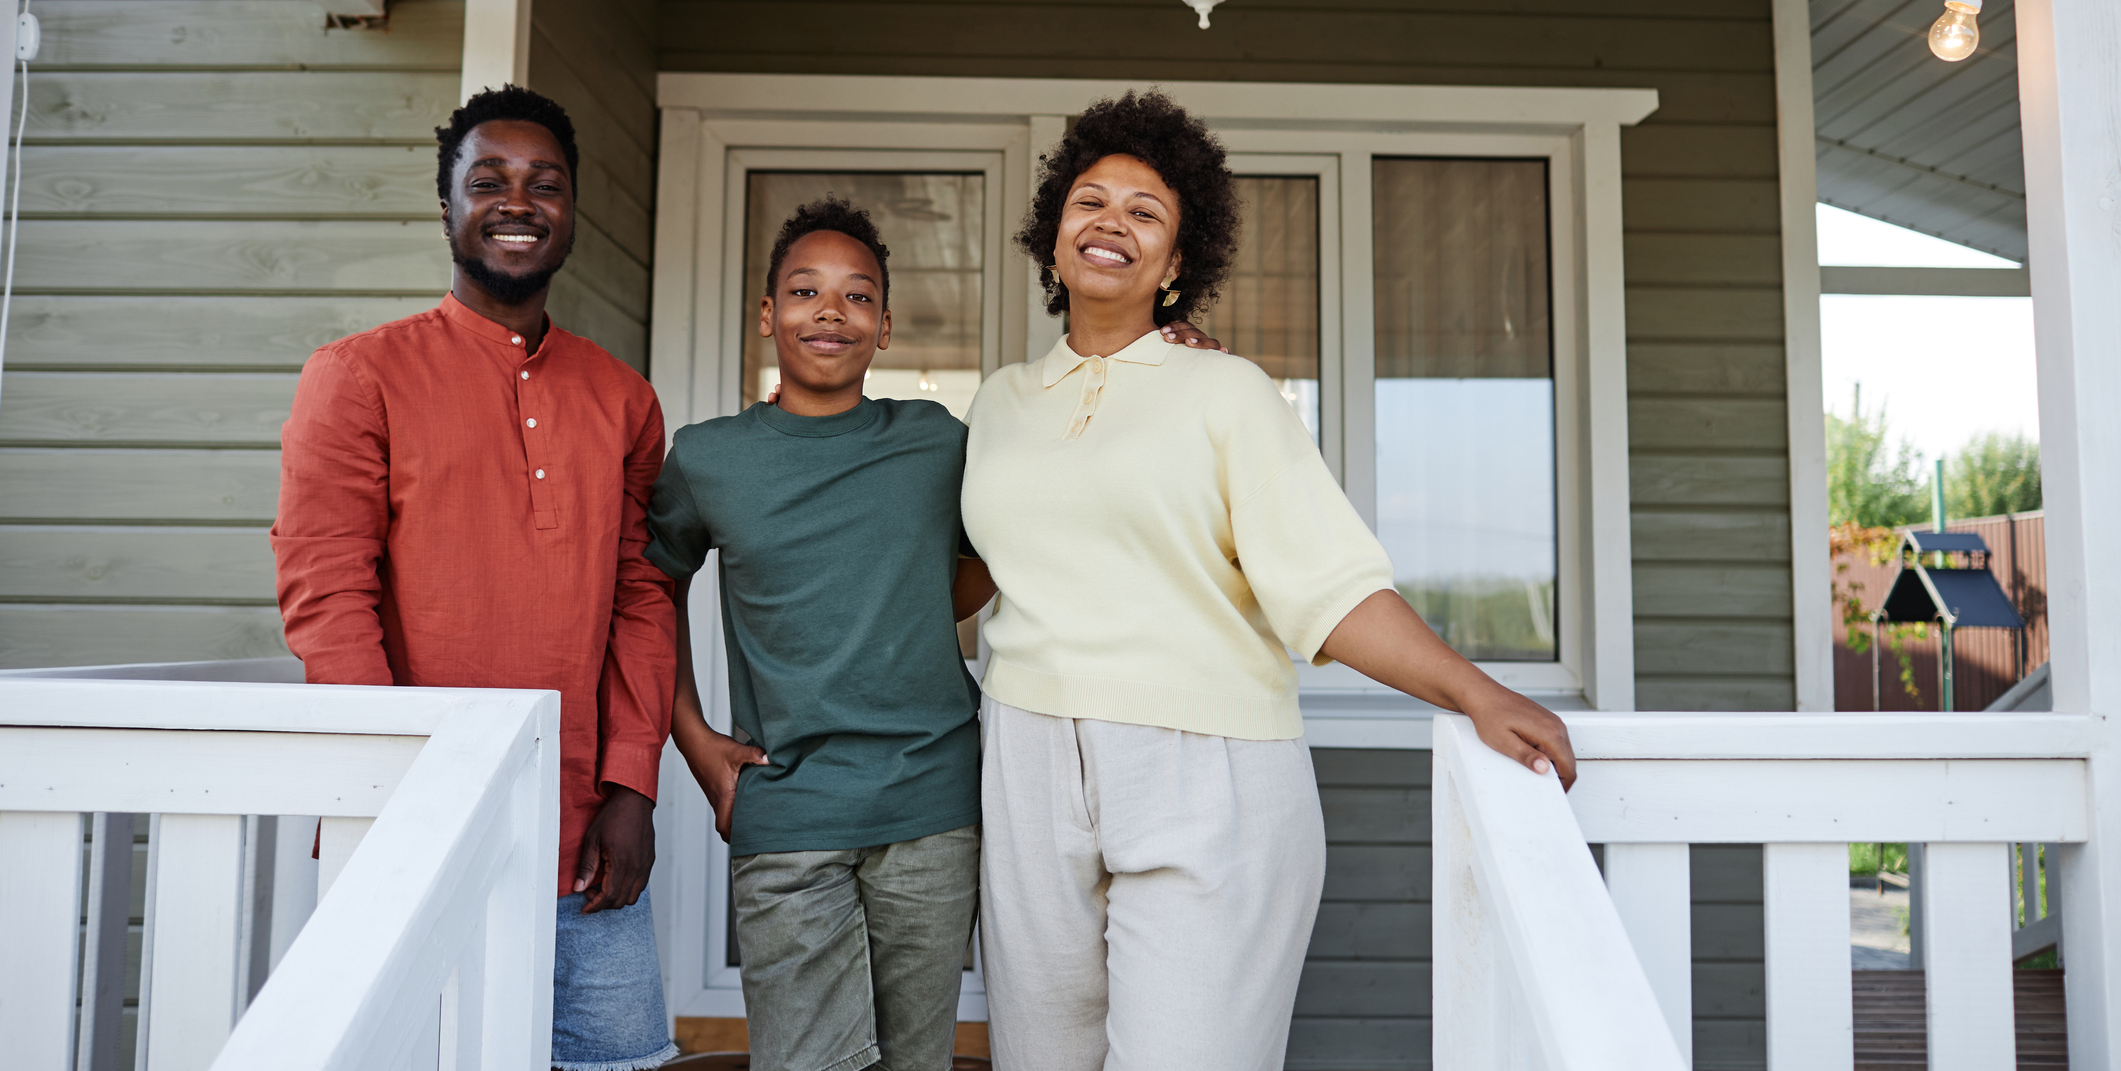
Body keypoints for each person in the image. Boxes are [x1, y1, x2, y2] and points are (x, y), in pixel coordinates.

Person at [961, 90, 1577, 1071]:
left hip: (1205, 766)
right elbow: (972, 573)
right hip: (1025, 758)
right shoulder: (997, 404)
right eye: (1089, 199)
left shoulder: (1228, 392)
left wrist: (1475, 688)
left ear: (1176, 263)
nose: (1109, 220)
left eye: (1144, 211)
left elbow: (1329, 590)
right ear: (1052, 233)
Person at [271, 85, 679, 1071]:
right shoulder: (357, 375)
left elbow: (640, 595)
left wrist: (633, 783)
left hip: (583, 839)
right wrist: (390, 787)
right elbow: (328, 592)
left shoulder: (622, 398)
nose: (519, 201)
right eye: (488, 178)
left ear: (572, 209)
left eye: (546, 183)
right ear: (443, 200)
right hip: (413, 818)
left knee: (619, 1058)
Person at [647, 199, 991, 1071]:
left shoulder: (936, 443)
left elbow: (995, 553)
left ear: (883, 327)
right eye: (804, 291)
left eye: (856, 296)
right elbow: (648, 591)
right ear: (767, 316)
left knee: (917, 1061)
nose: (830, 311)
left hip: (933, 806)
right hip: (789, 806)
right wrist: (693, 739)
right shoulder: (708, 457)